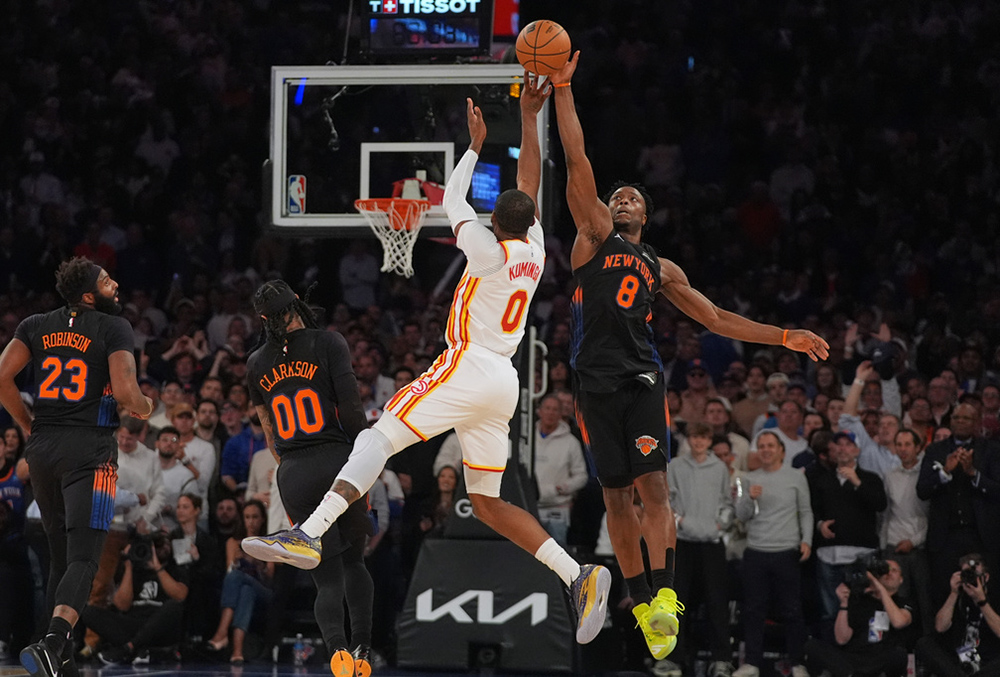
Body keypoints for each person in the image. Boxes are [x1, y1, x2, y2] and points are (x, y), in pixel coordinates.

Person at [243, 77, 613, 646]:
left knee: (377, 437)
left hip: (468, 367)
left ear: (496, 223)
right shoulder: (535, 246)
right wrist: (532, 120)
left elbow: (449, 200)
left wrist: (471, 146)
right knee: (487, 503)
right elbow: (527, 184)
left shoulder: (488, 251)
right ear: (527, 220)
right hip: (505, 382)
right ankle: (577, 573)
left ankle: (309, 533)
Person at [546, 51, 829, 659]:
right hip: (592, 384)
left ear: (646, 215)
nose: (620, 201)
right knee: (615, 499)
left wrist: (784, 336)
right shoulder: (592, 237)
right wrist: (564, 90)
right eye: (615, 196)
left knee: (655, 491)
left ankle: (666, 598)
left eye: (630, 199)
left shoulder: (661, 267)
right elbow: (576, 159)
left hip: (643, 378)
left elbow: (718, 318)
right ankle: (640, 598)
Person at [0, 257, 153, 677]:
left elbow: (1, 377)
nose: (115, 284)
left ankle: (60, 663)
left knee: (61, 559)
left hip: (44, 448)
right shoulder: (113, 326)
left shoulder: (35, 323)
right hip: (92, 450)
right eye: (106, 281)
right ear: (89, 296)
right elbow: (125, 392)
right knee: (85, 557)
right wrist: (146, 406)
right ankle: (52, 642)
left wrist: (30, 426)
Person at [235, 278, 377, 674]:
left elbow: (269, 431)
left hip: (293, 470)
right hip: (338, 460)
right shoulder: (328, 343)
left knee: (325, 577)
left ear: (264, 320)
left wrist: (292, 467)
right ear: (297, 303)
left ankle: (337, 652)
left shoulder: (255, 363)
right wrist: (363, 458)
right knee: (354, 564)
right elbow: (350, 410)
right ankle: (363, 650)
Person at [733, 431, 813, 677]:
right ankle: (752, 663)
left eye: (770, 445)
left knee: (792, 611)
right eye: (762, 446)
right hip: (756, 551)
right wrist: (748, 497)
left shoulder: (796, 478)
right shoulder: (749, 478)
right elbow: (741, 515)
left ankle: (797, 663)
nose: (766, 450)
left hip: (786, 551)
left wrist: (806, 541)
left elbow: (806, 511)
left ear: (781, 450)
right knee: (753, 610)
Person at [83, 533, 189, 666]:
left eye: (167, 545)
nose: (163, 548)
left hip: (160, 625)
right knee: (88, 612)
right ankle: (144, 650)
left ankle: (128, 649)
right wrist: (129, 565)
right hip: (134, 623)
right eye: (158, 546)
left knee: (174, 606)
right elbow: (122, 605)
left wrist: (158, 568)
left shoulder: (175, 568)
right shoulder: (134, 569)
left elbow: (180, 596)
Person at [804, 559, 912, 677]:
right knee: (812, 645)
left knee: (899, 654)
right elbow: (841, 639)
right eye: (885, 570)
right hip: (853, 659)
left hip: (881, 658)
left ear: (901, 579)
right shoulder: (859, 599)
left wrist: (880, 588)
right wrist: (844, 604)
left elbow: (899, 622)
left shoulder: (903, 603)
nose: (889, 573)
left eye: (894, 570)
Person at [206, 499, 273, 665]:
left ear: (262, 519)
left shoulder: (270, 541)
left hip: (263, 591)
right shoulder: (234, 542)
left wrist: (257, 562)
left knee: (239, 579)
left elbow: (269, 577)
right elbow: (230, 570)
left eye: (255, 517)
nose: (251, 521)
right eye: (247, 517)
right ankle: (237, 651)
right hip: (243, 592)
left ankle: (222, 632)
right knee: (244, 591)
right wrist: (236, 561)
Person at [916, 554, 1000, 677]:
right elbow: (940, 627)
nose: (971, 579)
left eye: (974, 574)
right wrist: (954, 593)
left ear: (985, 577)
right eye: (966, 574)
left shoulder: (996, 598)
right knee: (924, 643)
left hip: (988, 661)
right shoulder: (956, 597)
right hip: (958, 661)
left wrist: (982, 601)